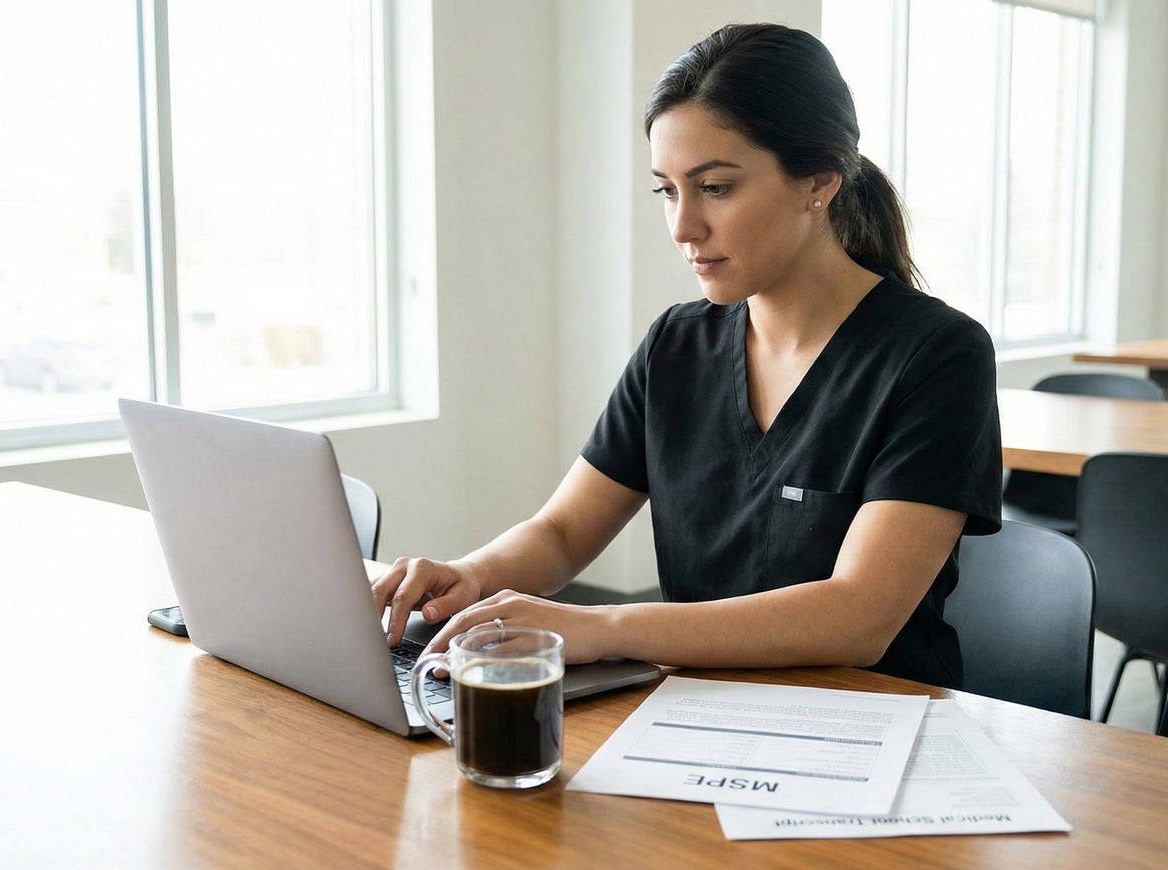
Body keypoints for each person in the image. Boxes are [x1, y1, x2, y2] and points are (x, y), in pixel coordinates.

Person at [373, 22, 1001, 687]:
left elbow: (858, 619)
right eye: (667, 190)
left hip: (873, 724)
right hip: (694, 711)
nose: (683, 227)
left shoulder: (937, 355)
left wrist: (605, 627)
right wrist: (469, 576)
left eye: (717, 187)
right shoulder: (676, 344)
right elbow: (562, 533)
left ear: (818, 182)